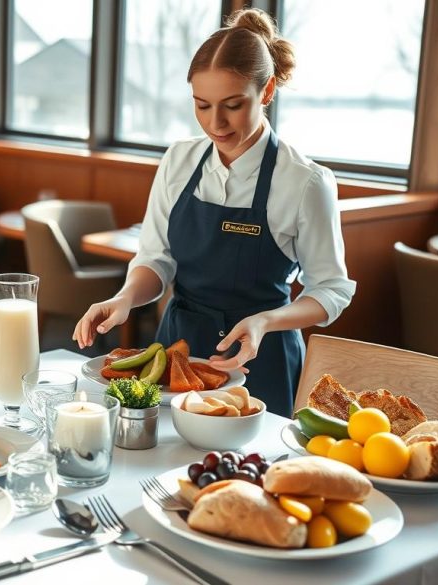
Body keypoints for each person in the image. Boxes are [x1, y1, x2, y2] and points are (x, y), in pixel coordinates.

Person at [73, 8, 355, 417]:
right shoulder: (179, 160)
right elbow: (157, 260)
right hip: (175, 351)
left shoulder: (305, 181)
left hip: (261, 358)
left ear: (268, 91)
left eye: (233, 105)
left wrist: (265, 321)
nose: (215, 123)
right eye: (201, 105)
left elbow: (331, 289)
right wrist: (124, 298)